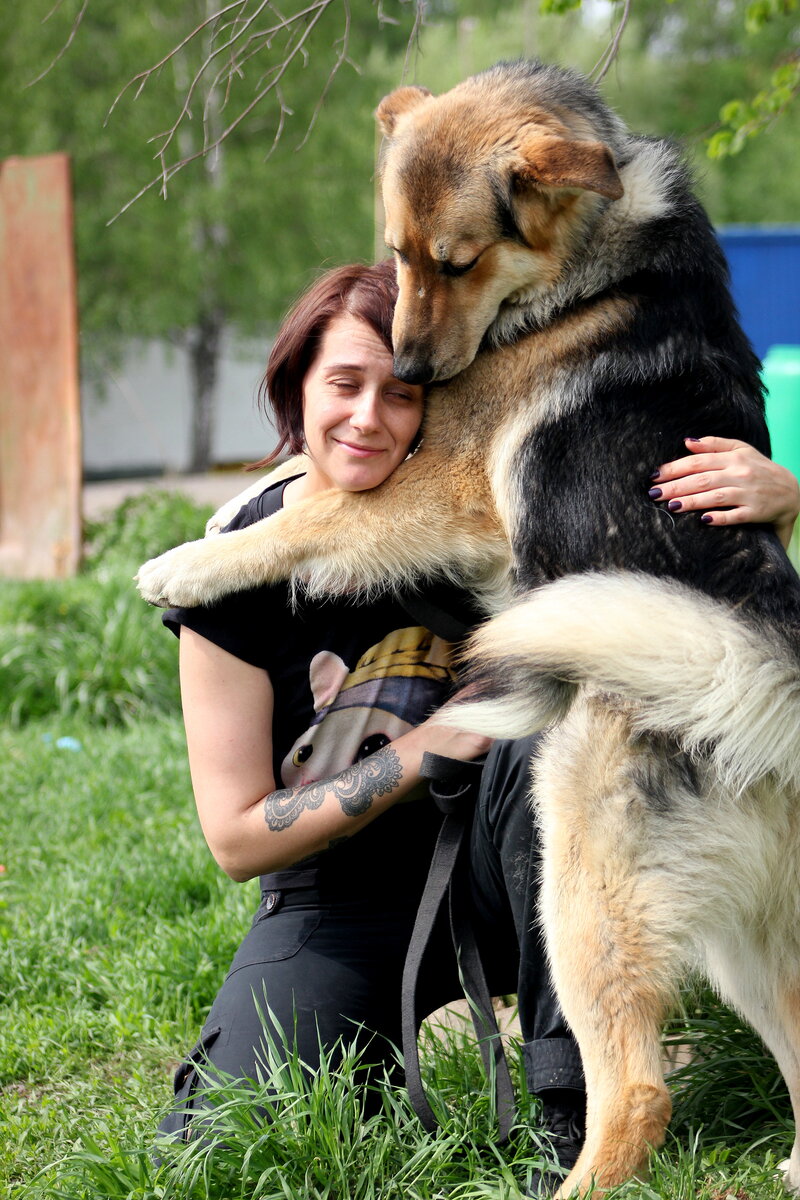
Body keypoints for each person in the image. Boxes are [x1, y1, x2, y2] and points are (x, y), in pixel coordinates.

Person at [157, 259, 800, 1188]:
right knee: (215, 1144)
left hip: (509, 862)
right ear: (294, 390)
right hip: (339, 902)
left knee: (560, 726)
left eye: (401, 391)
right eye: (343, 385)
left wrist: (776, 501)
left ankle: (573, 1122)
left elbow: (671, 574)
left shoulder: (493, 496)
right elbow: (235, 840)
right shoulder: (232, 566)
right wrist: (426, 747)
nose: (370, 418)